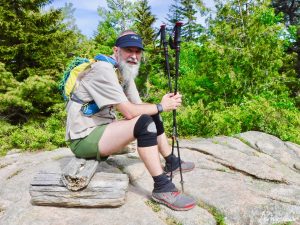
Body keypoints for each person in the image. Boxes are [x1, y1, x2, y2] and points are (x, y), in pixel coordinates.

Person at [65, 30, 196, 211]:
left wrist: (160, 105)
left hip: (102, 130)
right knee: (144, 123)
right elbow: (129, 111)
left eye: (138, 51)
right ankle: (162, 187)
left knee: (150, 114)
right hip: (83, 138)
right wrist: (162, 105)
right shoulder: (103, 69)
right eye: (129, 50)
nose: (134, 56)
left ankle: (171, 161)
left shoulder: (122, 71)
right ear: (116, 50)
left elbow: (139, 105)